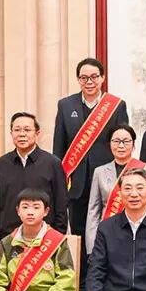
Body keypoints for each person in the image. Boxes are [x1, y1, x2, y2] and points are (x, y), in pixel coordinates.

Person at [53, 57, 130, 254]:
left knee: (109, 230)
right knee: (79, 230)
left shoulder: (116, 105)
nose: (89, 82)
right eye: (84, 78)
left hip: (108, 181)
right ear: (78, 80)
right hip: (76, 183)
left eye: (94, 77)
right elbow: (59, 147)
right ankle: (84, 273)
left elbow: (124, 142)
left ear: (102, 78)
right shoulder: (65, 105)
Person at [0, 112, 68, 253]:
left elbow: (61, 204)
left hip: (45, 239)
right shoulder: (0, 165)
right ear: (11, 133)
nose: (22, 134)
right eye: (17, 130)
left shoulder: (53, 163)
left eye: (27, 129)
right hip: (9, 239)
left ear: (37, 133)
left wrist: (58, 237)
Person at [86, 123, 146, 249]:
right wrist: (92, 246)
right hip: (108, 235)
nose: (121, 146)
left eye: (126, 141)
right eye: (116, 141)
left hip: (139, 234)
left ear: (134, 144)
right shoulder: (100, 172)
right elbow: (93, 211)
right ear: (109, 144)